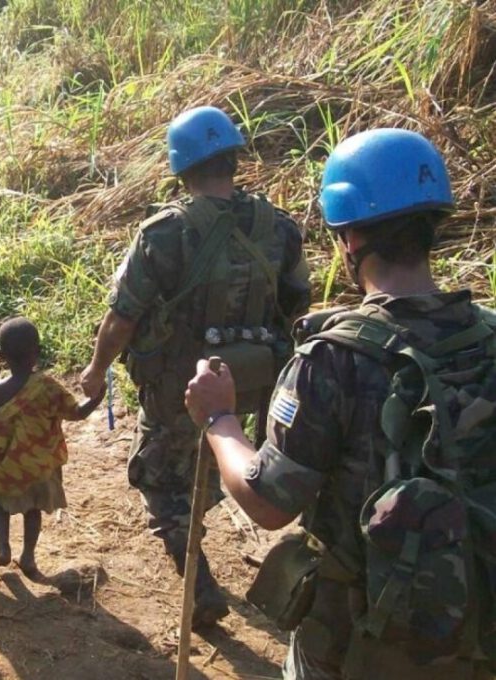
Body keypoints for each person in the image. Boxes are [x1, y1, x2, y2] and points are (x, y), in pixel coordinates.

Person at [185, 128, 496, 678]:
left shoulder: (333, 359)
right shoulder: (489, 338)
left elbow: (268, 500)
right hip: (479, 631)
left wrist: (219, 418)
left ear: (349, 238)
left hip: (364, 642)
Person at [79, 106, 311, 631]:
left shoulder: (164, 234)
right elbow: (298, 303)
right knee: (209, 458)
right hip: (248, 386)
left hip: (179, 388)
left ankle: (199, 583)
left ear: (181, 169)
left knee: (159, 480)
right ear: (233, 157)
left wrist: (96, 372)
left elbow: (122, 319)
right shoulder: (278, 228)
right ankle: (200, 517)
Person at [0, 317, 103, 578]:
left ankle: (3, 548)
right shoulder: (48, 387)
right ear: (38, 352)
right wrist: (97, 398)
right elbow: (76, 413)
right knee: (33, 511)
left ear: (0, 355)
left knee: (0, 505)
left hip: (7, 467)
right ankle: (28, 556)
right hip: (39, 467)